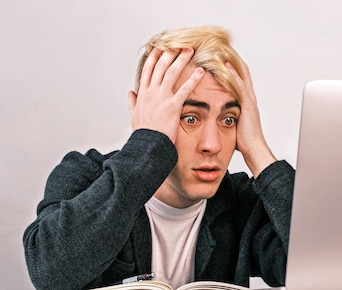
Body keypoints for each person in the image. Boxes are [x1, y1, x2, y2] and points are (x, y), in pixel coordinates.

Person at [22, 25, 294, 290]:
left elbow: (323, 264)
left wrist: (257, 150)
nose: (212, 145)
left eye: (228, 119)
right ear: (144, 114)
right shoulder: (83, 175)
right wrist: (148, 142)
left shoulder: (240, 203)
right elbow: (50, 275)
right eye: (190, 117)